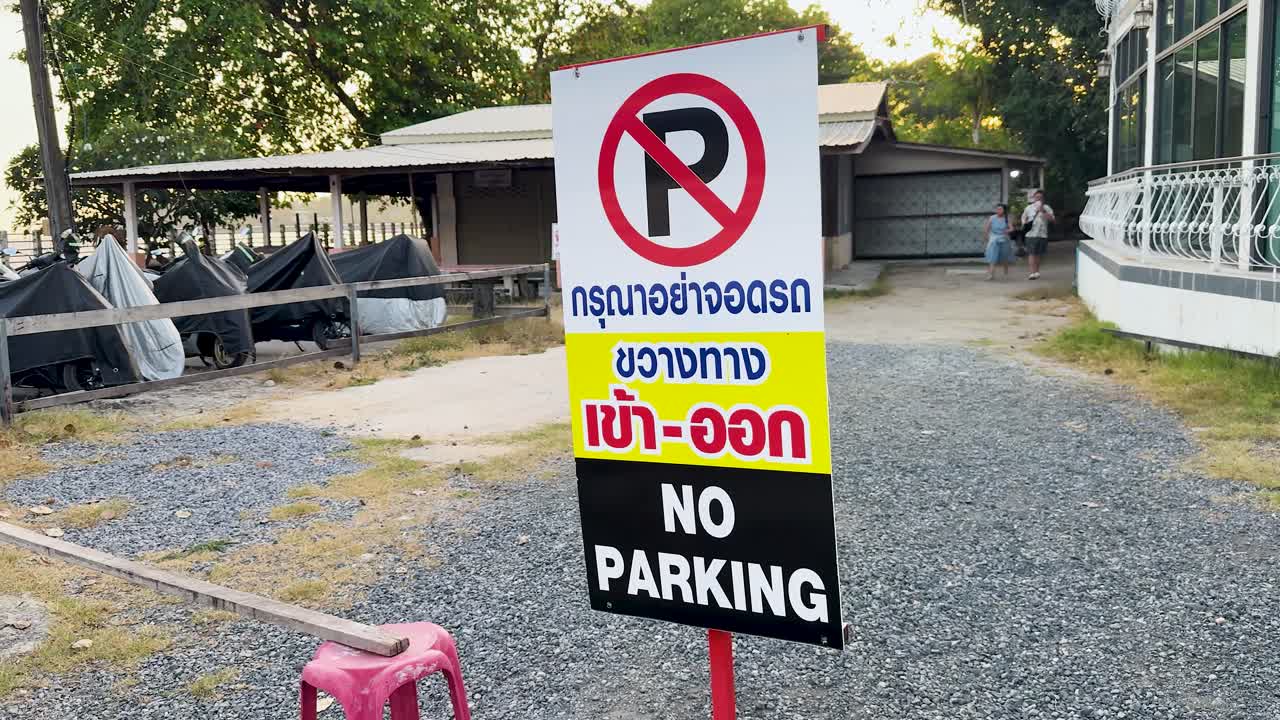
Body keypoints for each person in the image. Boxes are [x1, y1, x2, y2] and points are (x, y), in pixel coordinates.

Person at [1020, 189, 1054, 280]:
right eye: (1036, 197)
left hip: (1042, 234)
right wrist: (1025, 223)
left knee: (1039, 254)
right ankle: (1032, 272)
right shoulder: (1028, 208)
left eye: (1040, 197)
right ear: (1034, 198)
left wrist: (1043, 210)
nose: (1038, 199)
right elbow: (1023, 218)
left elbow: (1052, 219)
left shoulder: (1047, 208)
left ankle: (1036, 271)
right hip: (1030, 234)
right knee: (1031, 253)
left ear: (1043, 199)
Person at [983, 204, 1013, 280]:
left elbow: (1011, 228)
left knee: (1005, 256)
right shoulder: (992, 218)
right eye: (997, 209)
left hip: (1004, 237)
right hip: (994, 238)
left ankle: (1006, 272)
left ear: (1004, 210)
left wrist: (1007, 230)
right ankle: (991, 274)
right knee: (992, 256)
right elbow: (987, 228)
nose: (998, 211)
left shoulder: (1007, 218)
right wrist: (986, 236)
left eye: (1000, 209)